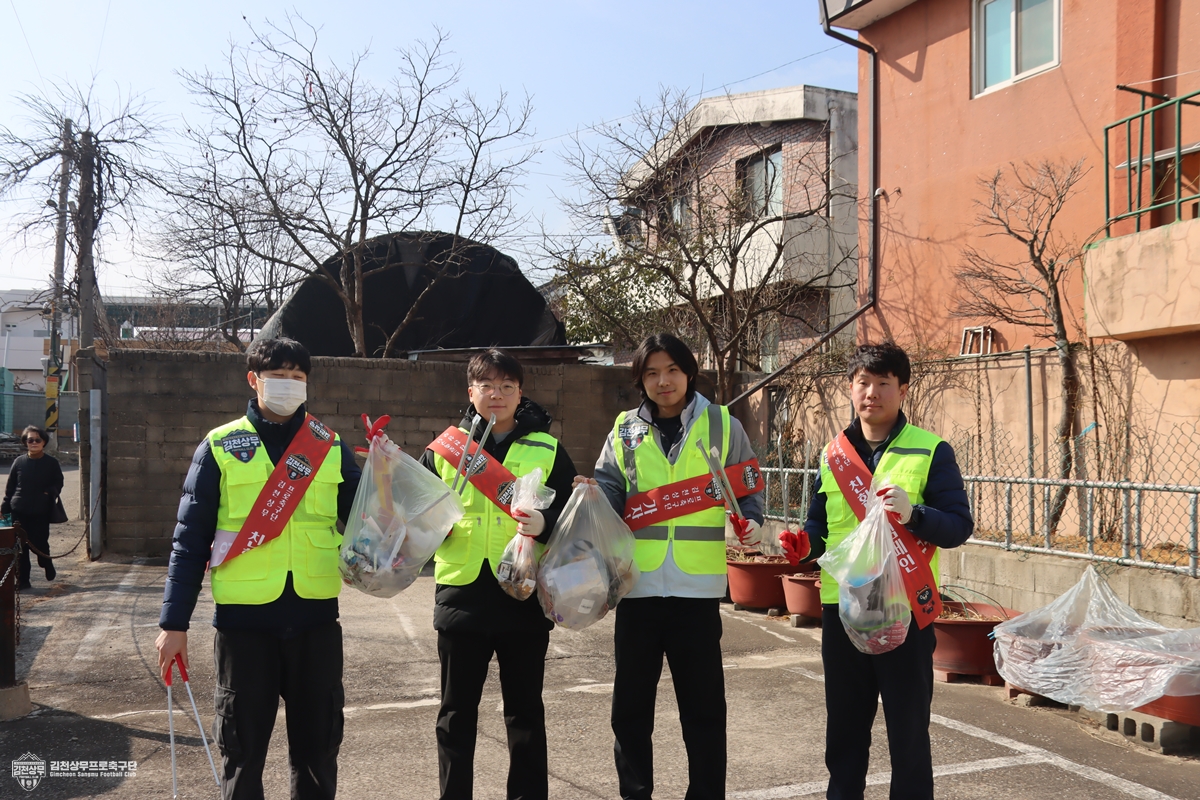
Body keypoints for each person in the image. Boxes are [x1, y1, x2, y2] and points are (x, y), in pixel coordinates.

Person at [155, 337, 361, 800]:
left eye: (297, 377)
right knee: (243, 754)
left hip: (315, 621)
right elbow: (188, 542)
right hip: (244, 626)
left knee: (318, 752)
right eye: (278, 376)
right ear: (254, 379)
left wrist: (389, 476)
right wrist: (174, 623)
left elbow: (369, 518)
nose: (288, 385)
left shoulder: (328, 447)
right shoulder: (220, 446)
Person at [583, 333, 764, 800]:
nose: (663, 382)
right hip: (637, 590)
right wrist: (593, 496)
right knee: (630, 712)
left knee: (704, 713)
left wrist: (754, 523)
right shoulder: (624, 429)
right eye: (651, 373)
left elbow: (748, 487)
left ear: (689, 372)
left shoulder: (724, 425)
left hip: (696, 594)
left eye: (672, 371)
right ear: (640, 379)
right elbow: (609, 488)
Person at [802, 342, 973, 800]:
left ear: (902, 389)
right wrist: (803, 544)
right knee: (844, 730)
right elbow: (818, 524)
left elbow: (958, 526)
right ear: (850, 387)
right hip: (845, 608)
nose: (871, 393)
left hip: (906, 610)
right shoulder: (831, 453)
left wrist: (915, 513)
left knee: (908, 731)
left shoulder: (931, 450)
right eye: (862, 382)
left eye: (883, 383)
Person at [419, 349, 577, 800]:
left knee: (525, 713)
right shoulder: (445, 448)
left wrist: (546, 524)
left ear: (520, 393)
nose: (497, 395)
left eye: (507, 386)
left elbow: (570, 514)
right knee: (455, 715)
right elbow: (417, 512)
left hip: (522, 597)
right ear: (470, 392)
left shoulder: (547, 448)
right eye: (487, 385)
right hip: (460, 597)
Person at [2, 425, 63, 590]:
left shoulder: (51, 463)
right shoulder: (19, 462)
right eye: (30, 440)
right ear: (25, 442)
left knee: (40, 543)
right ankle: (23, 581)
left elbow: (58, 482)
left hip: (40, 512)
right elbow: (10, 488)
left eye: (38, 440)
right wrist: (4, 508)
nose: (34, 443)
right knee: (19, 549)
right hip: (18, 512)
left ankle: (46, 562)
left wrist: (49, 492)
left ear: (43, 442)